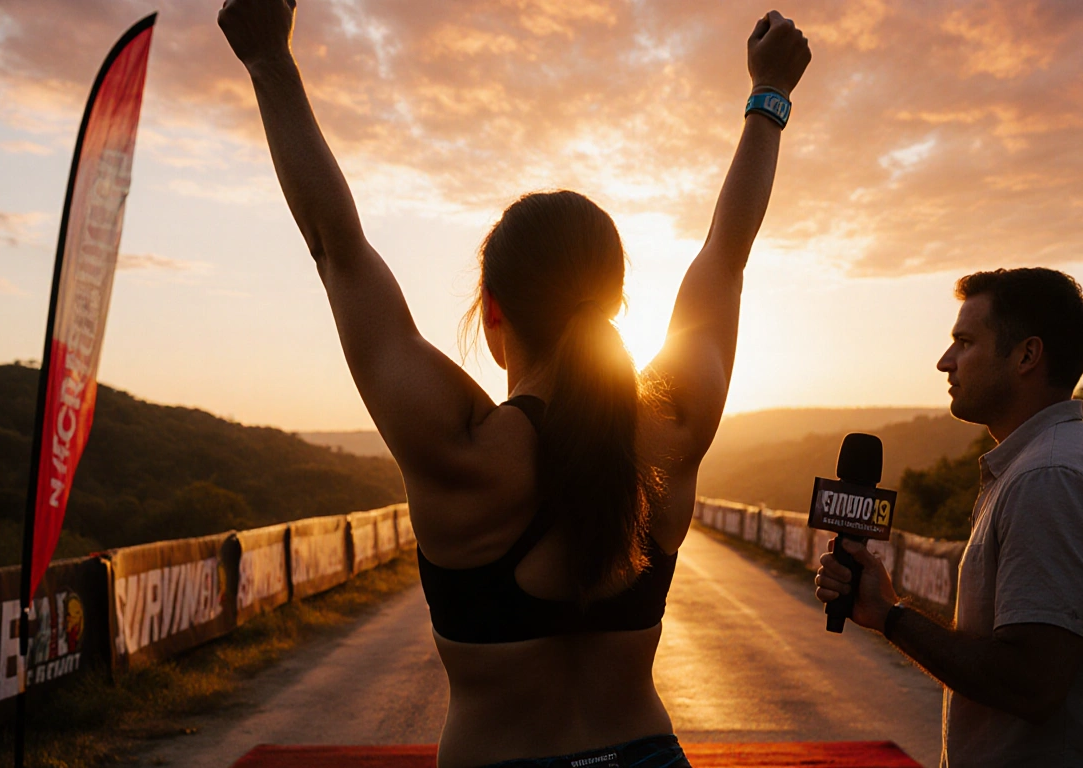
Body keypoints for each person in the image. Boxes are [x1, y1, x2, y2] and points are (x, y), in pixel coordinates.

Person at [217, 2, 810, 766]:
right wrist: (770, 96)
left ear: (493, 311)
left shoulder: (459, 448)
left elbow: (336, 247)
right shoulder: (671, 431)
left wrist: (269, 60)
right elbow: (726, 257)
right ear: (618, 305)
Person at [815, 268, 1083, 767]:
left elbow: (1029, 681)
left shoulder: (1051, 477)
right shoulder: (1047, 465)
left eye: (964, 341)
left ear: (1026, 355)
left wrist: (894, 618)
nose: (944, 361)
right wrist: (883, 607)